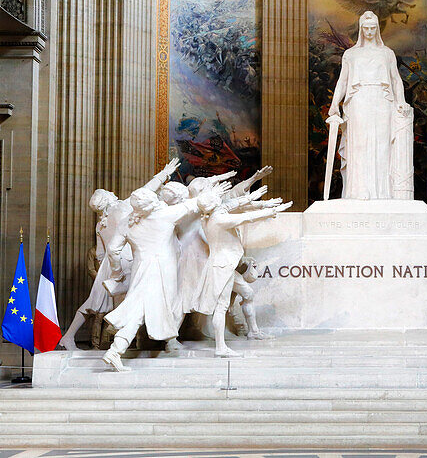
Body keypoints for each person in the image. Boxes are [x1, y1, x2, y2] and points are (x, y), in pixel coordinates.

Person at [101, 184, 265, 371]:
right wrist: (215, 192)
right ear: (152, 203)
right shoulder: (165, 215)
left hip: (140, 271)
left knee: (138, 311)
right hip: (161, 274)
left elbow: (113, 250)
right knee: (139, 312)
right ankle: (115, 351)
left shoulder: (127, 222)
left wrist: (116, 273)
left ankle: (116, 350)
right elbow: (197, 203)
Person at [57, 158, 181, 351]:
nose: (113, 193)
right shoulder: (121, 207)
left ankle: (68, 336)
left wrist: (108, 272)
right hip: (127, 260)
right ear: (108, 198)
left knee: (93, 302)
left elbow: (100, 253)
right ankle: (159, 341)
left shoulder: (100, 224)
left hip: (109, 264)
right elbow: (144, 192)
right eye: (109, 193)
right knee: (146, 296)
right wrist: (164, 174)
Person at [188, 189, 291, 357]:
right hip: (222, 267)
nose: (220, 198)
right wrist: (271, 211)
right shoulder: (219, 219)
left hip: (226, 264)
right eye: (217, 198)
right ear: (214, 204)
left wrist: (254, 198)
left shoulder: (212, 215)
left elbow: (230, 204)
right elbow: (245, 218)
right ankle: (220, 348)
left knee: (248, 293)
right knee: (221, 307)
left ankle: (253, 331)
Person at [327, 10, 414, 200]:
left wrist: (401, 101)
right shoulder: (351, 54)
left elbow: (396, 80)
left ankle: (383, 192)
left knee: (382, 145)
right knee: (359, 145)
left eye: (373, 28)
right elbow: (343, 81)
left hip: (383, 102)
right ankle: (358, 191)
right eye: (366, 28)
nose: (369, 32)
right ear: (361, 29)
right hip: (358, 101)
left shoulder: (387, 53)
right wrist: (334, 104)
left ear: (377, 29)